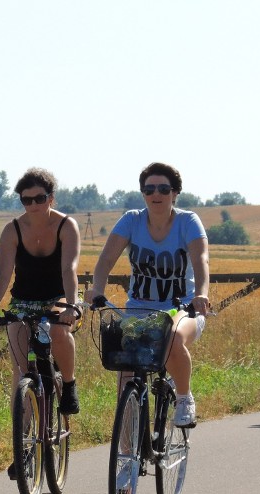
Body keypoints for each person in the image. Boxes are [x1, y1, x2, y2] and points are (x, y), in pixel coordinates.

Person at [85, 162, 209, 427]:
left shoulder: (188, 222)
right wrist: (97, 288)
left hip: (182, 308)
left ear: (175, 193)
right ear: (142, 193)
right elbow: (106, 259)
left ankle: (185, 398)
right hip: (139, 309)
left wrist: (201, 295)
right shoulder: (132, 220)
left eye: (164, 188)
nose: (156, 194)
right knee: (125, 371)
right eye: (149, 188)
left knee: (173, 338)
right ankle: (126, 456)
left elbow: (201, 261)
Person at [0, 167, 81, 478]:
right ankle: (23, 448)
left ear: (51, 198)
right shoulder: (13, 230)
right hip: (23, 299)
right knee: (20, 368)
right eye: (26, 200)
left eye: (39, 198)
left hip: (57, 297)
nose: (33, 205)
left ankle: (68, 383)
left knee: (60, 333)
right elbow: (2, 275)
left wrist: (70, 305)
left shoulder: (67, 225)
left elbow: (70, 270)